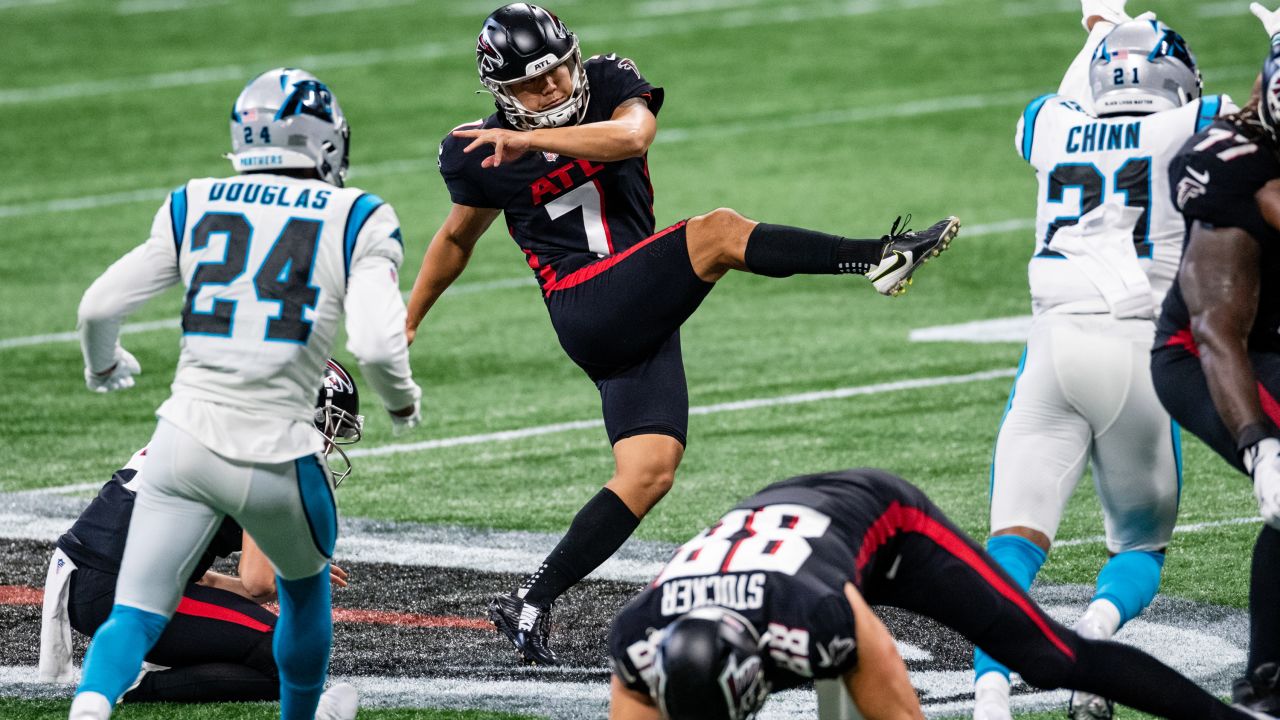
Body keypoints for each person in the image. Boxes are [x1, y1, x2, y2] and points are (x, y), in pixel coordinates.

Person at [405, 2, 961, 666]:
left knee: (647, 472)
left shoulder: (608, 81)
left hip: (640, 298)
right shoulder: (477, 149)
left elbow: (633, 136)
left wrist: (534, 140)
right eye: (532, 83)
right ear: (500, 90)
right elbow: (456, 238)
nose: (552, 87)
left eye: (557, 70)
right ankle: (876, 255)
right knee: (718, 232)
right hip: (586, 303)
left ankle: (531, 600)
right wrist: (405, 321)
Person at [68, 68, 422, 720]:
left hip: (181, 440)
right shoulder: (359, 214)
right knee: (304, 597)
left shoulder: (194, 198)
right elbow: (375, 344)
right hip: (276, 449)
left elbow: (98, 306)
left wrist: (103, 367)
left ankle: (90, 705)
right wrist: (400, 400)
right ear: (325, 142)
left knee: (135, 615)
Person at [973, 2, 1235, 718]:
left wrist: (1096, 30)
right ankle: (1092, 647)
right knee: (1140, 548)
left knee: (1012, 548)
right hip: (1135, 352)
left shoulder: (1052, 124)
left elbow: (1063, 101)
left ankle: (989, 696)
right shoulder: (1198, 117)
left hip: (1051, 351)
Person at [606, 468, 1258, 720]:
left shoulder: (813, 620)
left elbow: (889, 694)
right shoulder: (635, 636)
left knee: (1048, 654)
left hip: (883, 524)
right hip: (791, 547)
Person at [39, 360, 361, 704]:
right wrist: (299, 575)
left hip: (88, 579)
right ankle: (136, 684)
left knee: (250, 634)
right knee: (287, 654)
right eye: (329, 429)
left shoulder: (208, 422)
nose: (327, 447)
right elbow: (259, 581)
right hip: (114, 586)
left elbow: (199, 577)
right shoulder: (266, 451)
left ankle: (137, 667)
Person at [1154, 6, 1280, 712]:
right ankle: (1267, 684)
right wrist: (1260, 447)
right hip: (1206, 354)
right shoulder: (1228, 165)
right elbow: (1214, 328)